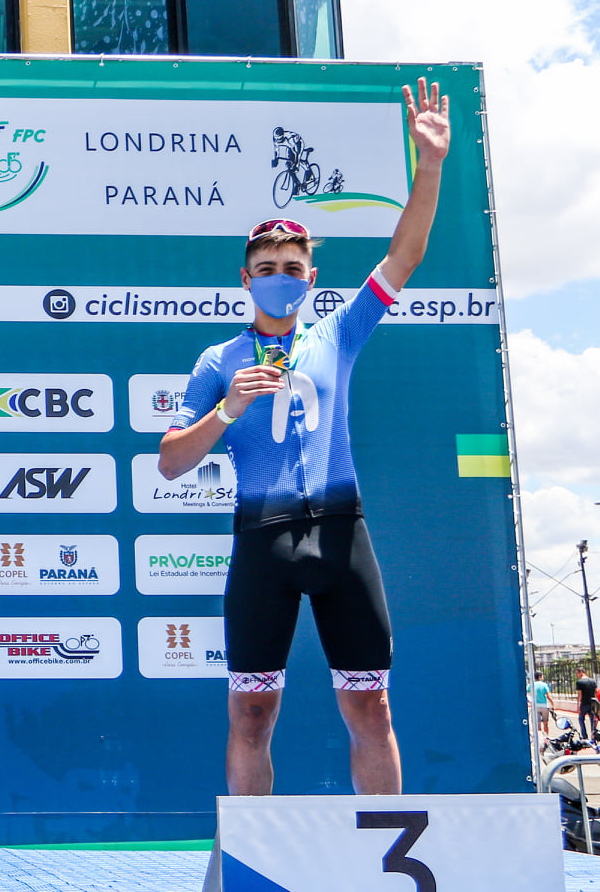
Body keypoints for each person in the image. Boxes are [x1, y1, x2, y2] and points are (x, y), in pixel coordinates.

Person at [158, 78, 451, 796]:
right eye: (266, 270)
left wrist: (431, 164)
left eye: (292, 269)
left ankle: (383, 867)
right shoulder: (216, 362)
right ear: (245, 280)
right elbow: (170, 463)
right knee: (251, 714)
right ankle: (252, 866)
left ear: (311, 277)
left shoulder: (339, 334)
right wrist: (224, 411)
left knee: (369, 705)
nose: (279, 279)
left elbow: (405, 256)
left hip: (341, 534)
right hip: (264, 542)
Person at [575, 667, 600, 740]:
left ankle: (584, 736)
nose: (577, 675)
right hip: (592, 703)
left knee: (581, 719)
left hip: (584, 703)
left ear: (581, 672)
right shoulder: (592, 681)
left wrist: (578, 704)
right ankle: (593, 734)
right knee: (592, 719)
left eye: (577, 673)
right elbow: (596, 691)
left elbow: (580, 694)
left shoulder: (580, 682)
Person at [533, 669, 553, 738]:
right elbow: (549, 696)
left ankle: (540, 739)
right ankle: (546, 738)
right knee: (546, 724)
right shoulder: (544, 685)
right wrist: (552, 704)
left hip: (535, 707)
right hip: (544, 706)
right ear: (540, 677)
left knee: (538, 725)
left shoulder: (532, 685)